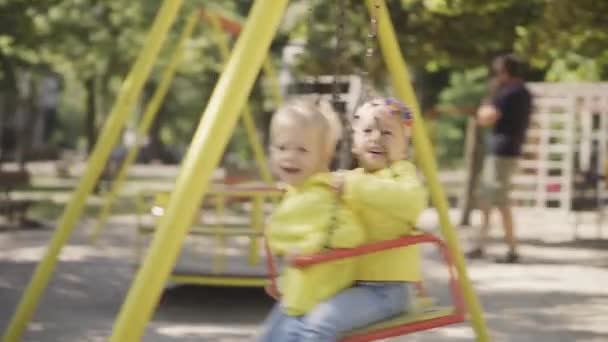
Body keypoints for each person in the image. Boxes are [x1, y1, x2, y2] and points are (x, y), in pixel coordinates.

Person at [294, 97, 428, 341]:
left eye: (387, 132)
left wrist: (351, 184)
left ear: (404, 147)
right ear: (354, 143)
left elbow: (411, 201)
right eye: (367, 131)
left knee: (318, 324)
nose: (376, 138)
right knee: (293, 318)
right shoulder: (350, 178)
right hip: (347, 283)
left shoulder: (401, 175)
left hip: (387, 289)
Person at [258, 99, 366, 341]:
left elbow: (351, 234)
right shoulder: (297, 193)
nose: (290, 157)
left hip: (320, 299)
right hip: (299, 296)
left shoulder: (322, 195)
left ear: (323, 156)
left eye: (302, 150)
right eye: (282, 148)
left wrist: (308, 250)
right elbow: (288, 235)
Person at [467, 54, 533, 263]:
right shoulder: (524, 92)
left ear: (505, 72)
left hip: (502, 152)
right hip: (509, 151)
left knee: (499, 200)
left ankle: (511, 248)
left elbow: (485, 117)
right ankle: (482, 243)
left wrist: (489, 97)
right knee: (488, 199)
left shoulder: (508, 93)